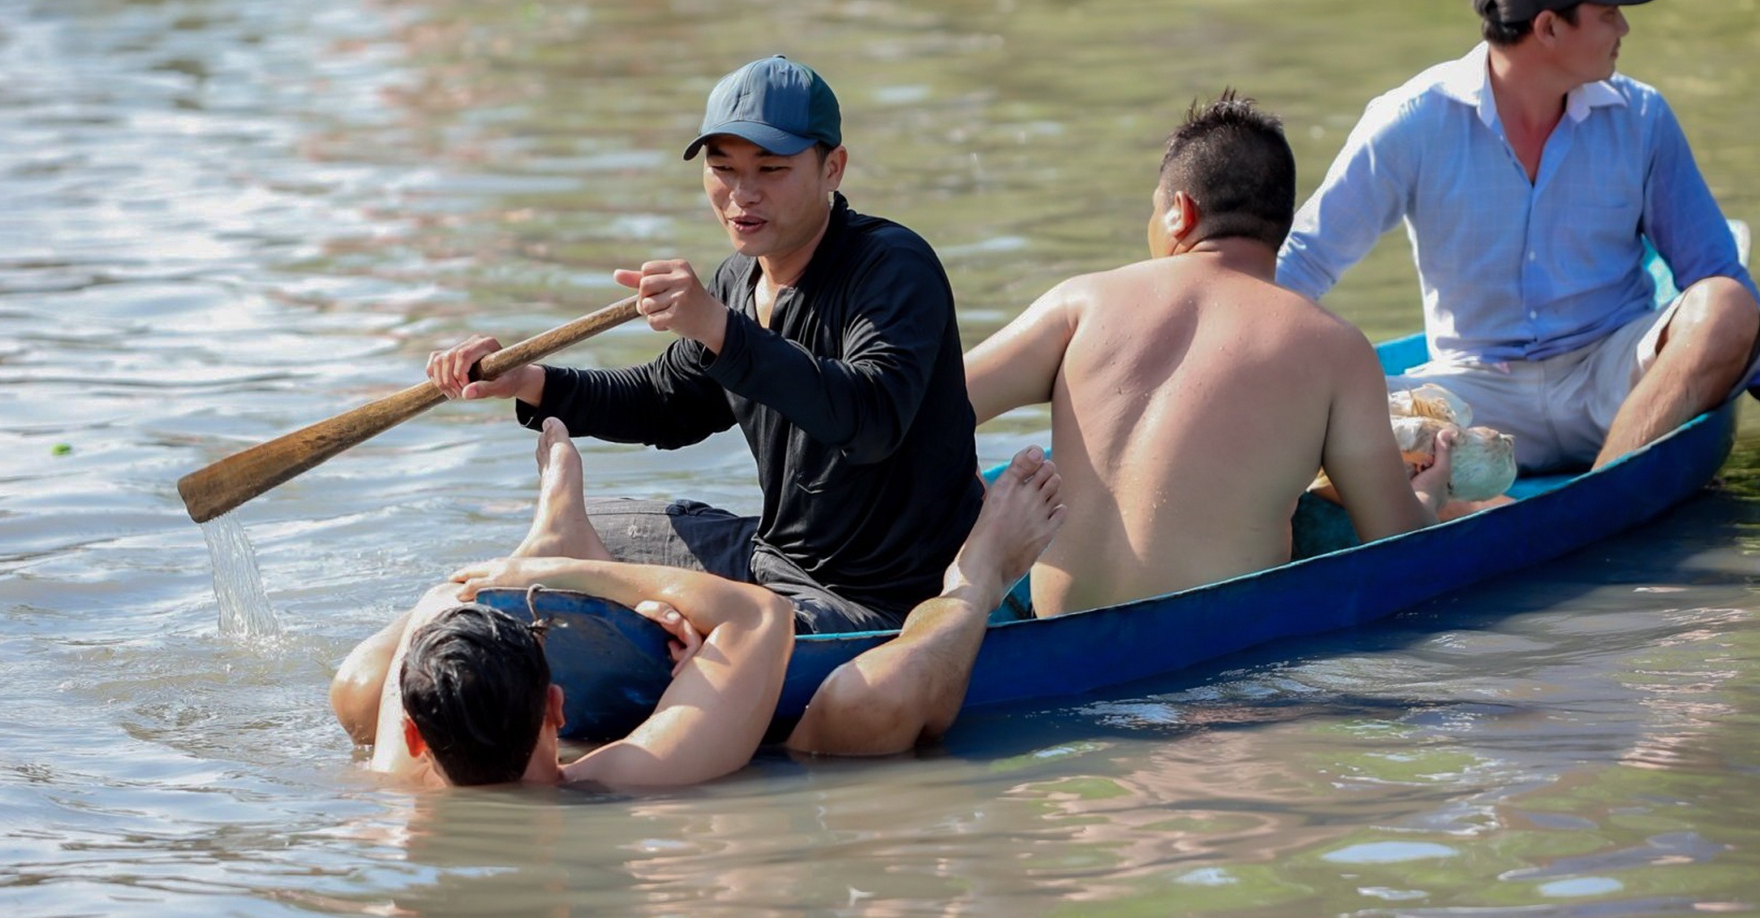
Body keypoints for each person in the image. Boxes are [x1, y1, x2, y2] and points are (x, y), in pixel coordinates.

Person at [1277, 0, 1760, 489]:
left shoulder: (1642, 118)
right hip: (1475, 396)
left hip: (1616, 379)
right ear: (1548, 28)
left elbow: (1713, 270)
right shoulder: (1410, 123)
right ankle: (1565, 493)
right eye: (1609, 13)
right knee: (1320, 396)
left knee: (1725, 306)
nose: (1624, 29)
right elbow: (1303, 262)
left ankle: (1605, 486)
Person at [426, 56, 987, 635]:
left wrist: (717, 327)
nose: (743, 194)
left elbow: (871, 419)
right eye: (722, 168)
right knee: (597, 522)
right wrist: (528, 381)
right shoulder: (737, 283)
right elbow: (668, 402)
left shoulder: (894, 266)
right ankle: (604, 588)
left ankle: (619, 600)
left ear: (833, 168)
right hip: (773, 557)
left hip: (878, 597)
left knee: (593, 575)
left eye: (771, 169)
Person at [341, 434, 1065, 788]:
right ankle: (978, 577)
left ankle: (557, 532)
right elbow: (760, 618)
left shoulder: (392, 782)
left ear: (410, 733)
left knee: (353, 690)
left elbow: (440, 604)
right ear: (557, 708)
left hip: (433, 742)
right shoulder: (620, 780)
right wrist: (552, 572)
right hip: (825, 721)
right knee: (857, 713)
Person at [962, 91, 1450, 617]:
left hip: (1055, 637)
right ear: (1280, 226)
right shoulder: (1336, 347)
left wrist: (974, 496)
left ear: (1179, 212)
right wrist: (1431, 495)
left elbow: (928, 407)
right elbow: (1396, 544)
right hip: (1217, 662)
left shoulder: (1079, 302)